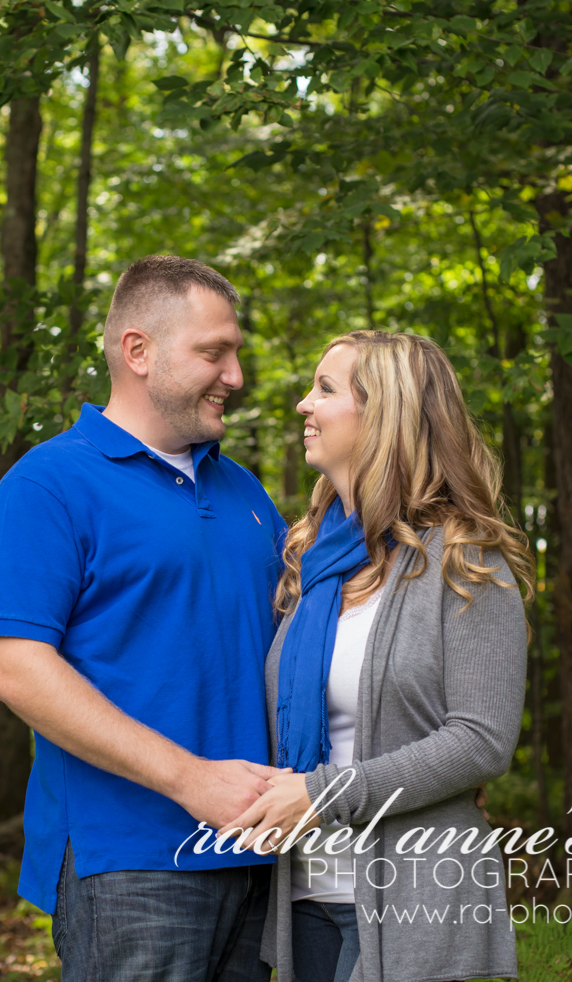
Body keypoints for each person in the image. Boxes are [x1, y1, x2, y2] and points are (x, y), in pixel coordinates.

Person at [0, 255, 288, 982]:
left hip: (260, 855)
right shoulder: (48, 485)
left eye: (236, 352)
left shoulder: (245, 491)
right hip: (130, 863)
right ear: (137, 351)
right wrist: (191, 781)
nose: (235, 375)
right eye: (214, 352)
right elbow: (17, 671)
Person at [225, 331, 533, 982]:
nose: (303, 404)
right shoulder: (311, 565)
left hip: (421, 895)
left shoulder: (465, 559)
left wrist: (324, 793)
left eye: (326, 390)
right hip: (305, 890)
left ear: (384, 415)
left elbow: (481, 742)